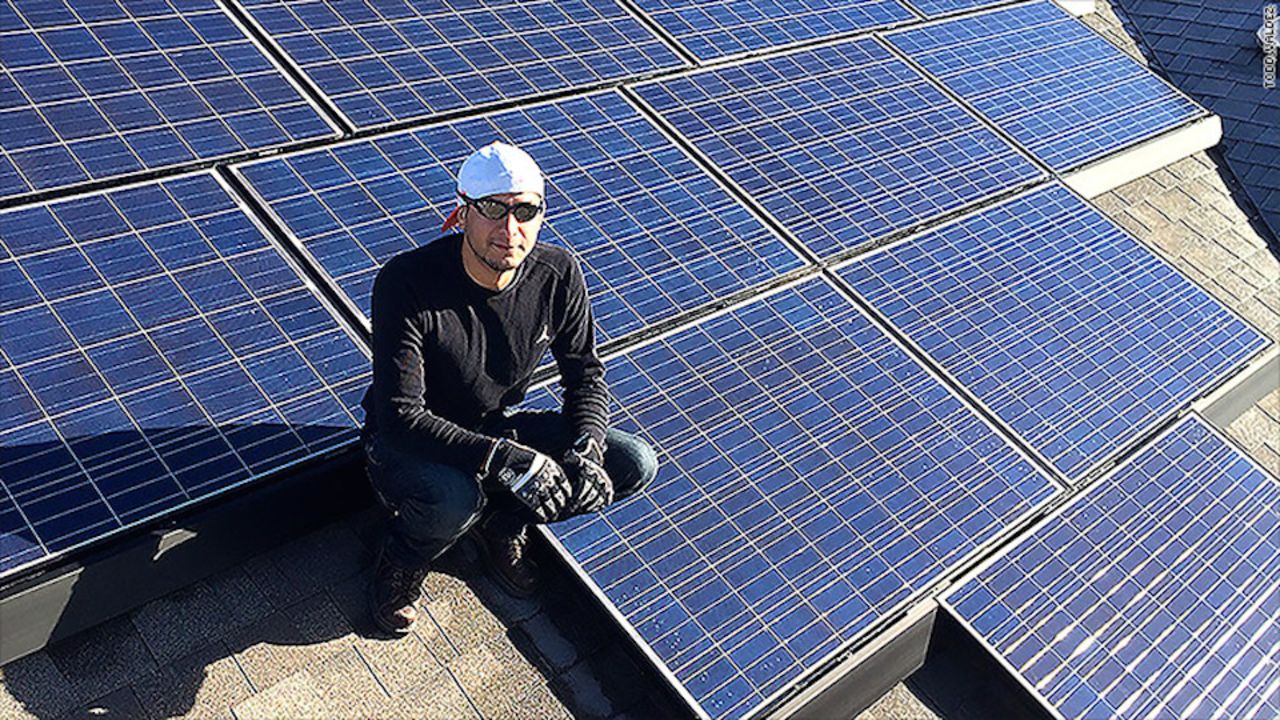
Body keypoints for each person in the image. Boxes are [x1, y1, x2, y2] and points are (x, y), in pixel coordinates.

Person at [359, 141, 658, 635]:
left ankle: (501, 524)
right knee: (454, 499)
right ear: (460, 214)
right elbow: (400, 415)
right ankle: (401, 558)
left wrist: (586, 446)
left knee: (632, 463)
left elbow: (584, 374)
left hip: (494, 427)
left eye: (525, 211)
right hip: (407, 444)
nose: (509, 230)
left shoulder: (558, 273)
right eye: (493, 210)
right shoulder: (407, 282)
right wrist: (503, 461)